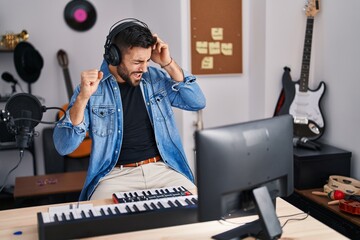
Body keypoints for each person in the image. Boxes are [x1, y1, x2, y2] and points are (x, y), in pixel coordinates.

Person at [53, 18, 206, 201]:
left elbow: (197, 101)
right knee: (100, 223)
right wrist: (83, 98)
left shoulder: (155, 78)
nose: (144, 68)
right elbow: (64, 146)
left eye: (148, 60)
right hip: (115, 176)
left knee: (198, 211)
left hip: (163, 170)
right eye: (137, 61)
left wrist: (168, 63)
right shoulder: (92, 89)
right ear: (114, 56)